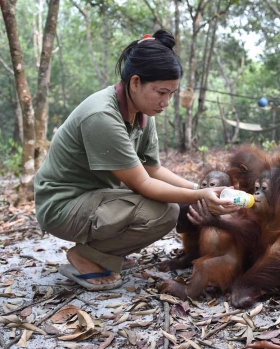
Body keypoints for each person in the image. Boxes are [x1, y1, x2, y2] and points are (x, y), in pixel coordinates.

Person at [34, 30, 237, 291]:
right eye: (161, 92)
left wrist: (200, 191)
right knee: (165, 211)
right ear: (135, 82)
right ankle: (86, 256)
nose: (166, 102)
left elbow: (154, 169)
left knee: (178, 203)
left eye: (172, 94)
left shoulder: (142, 112)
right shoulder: (102, 116)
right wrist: (198, 196)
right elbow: (144, 183)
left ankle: (106, 252)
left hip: (99, 196)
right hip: (63, 205)